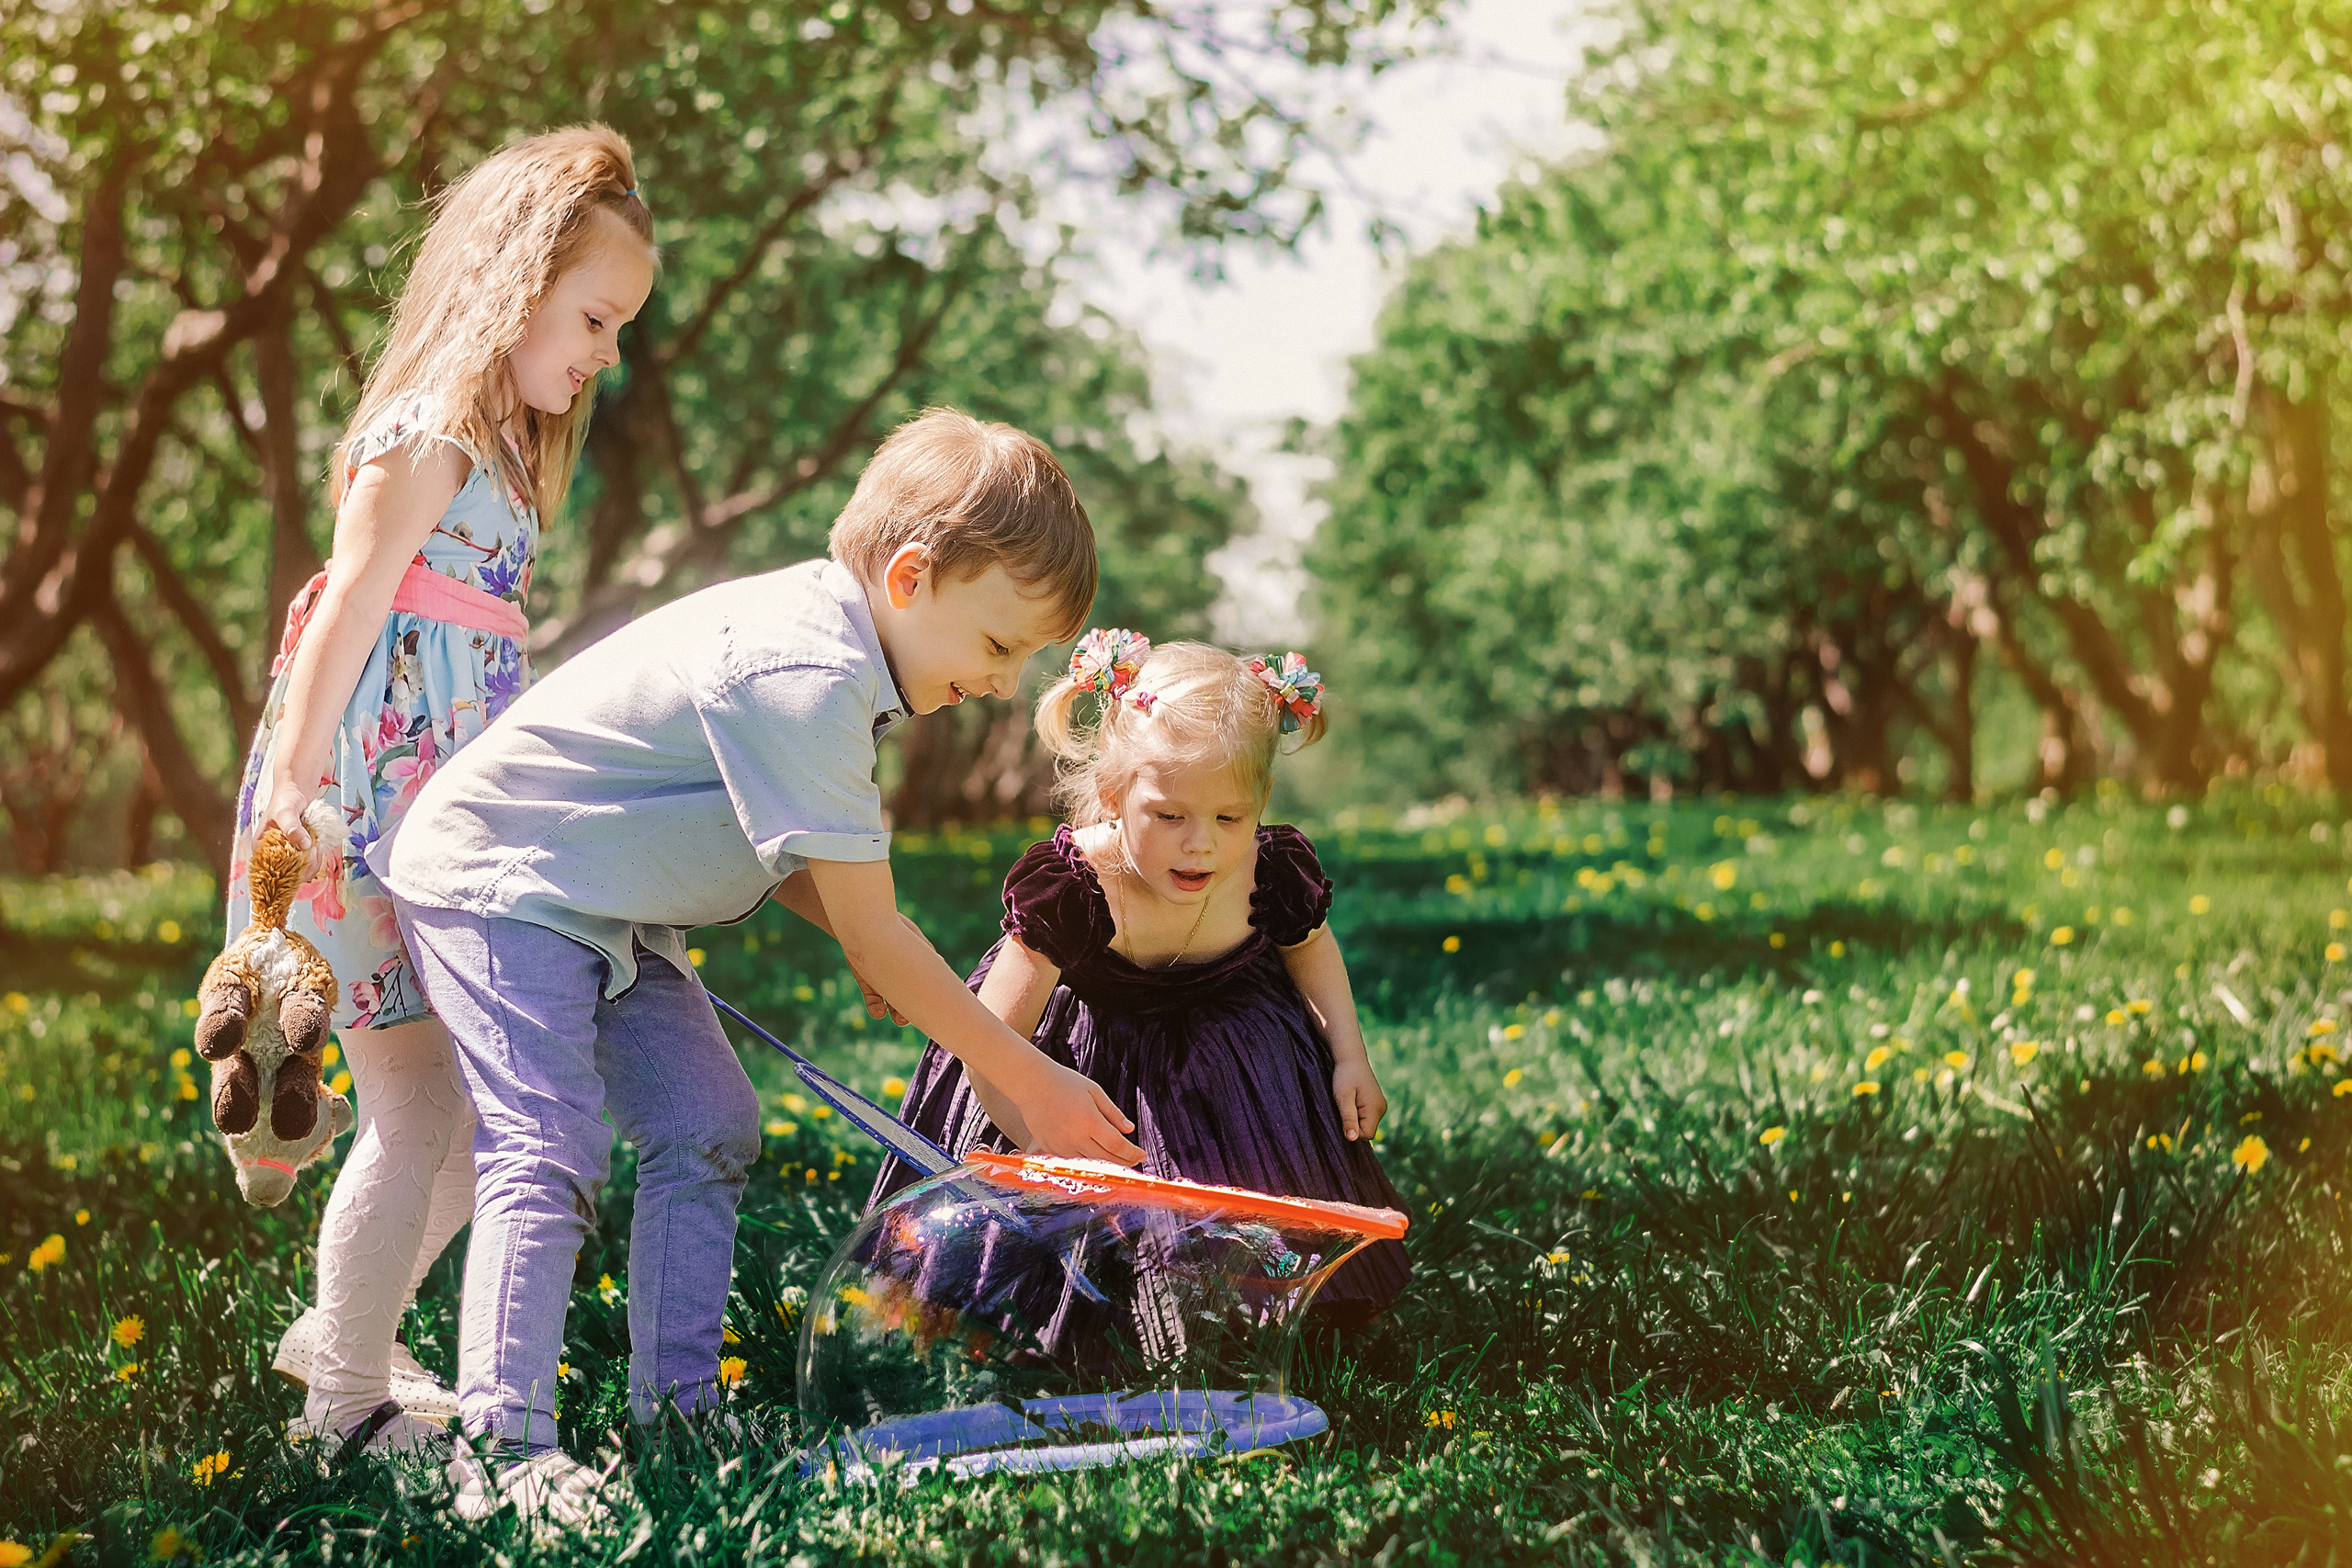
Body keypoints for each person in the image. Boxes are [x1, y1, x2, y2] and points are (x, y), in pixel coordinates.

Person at [368, 407, 1144, 1526]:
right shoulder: (804, 669)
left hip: (611, 912)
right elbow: (876, 925)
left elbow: (796, 865)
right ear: (912, 577)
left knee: (710, 1123)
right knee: (549, 1143)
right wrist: (1022, 1075)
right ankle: (502, 1450)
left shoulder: (845, 662)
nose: (1006, 685)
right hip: (505, 886)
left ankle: (676, 1413)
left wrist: (863, 941)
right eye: (999, 647)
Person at [229, 126, 657, 1460]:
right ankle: (343, 1403)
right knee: (422, 1099)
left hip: (446, 816)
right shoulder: (423, 435)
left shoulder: (505, 457)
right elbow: (349, 607)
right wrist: (295, 782)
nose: (604, 349)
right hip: (359, 810)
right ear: (517, 275)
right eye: (593, 314)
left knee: (473, 1103)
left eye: (619, 325)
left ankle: (343, 1332)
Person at [870, 633, 1411, 1324]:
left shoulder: (1269, 872)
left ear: (1261, 798)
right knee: (1068, 1270)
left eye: (1229, 816)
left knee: (1250, 1237)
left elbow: (1311, 950)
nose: (1201, 842)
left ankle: (1257, 1299)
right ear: (1114, 793)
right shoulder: (1076, 886)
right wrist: (1032, 1140)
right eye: (1168, 815)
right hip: (1083, 1062)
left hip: (1233, 1061)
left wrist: (1349, 1056)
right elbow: (990, 1039)